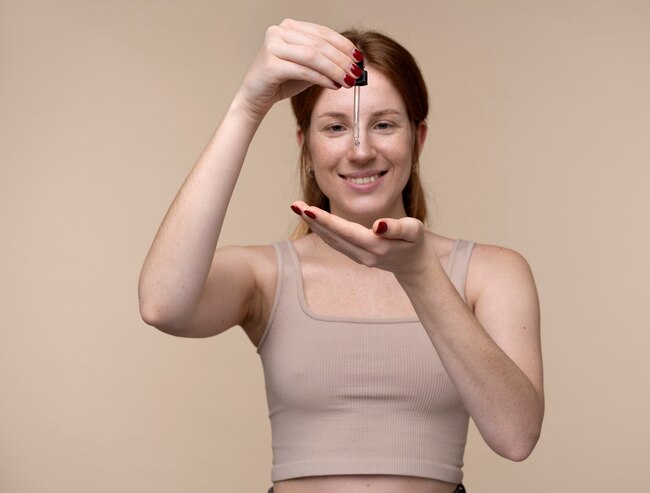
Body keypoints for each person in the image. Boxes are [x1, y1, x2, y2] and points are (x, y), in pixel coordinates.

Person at [138, 19, 544, 493]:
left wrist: (419, 275)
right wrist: (248, 106)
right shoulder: (266, 275)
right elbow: (161, 305)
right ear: (305, 148)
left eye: (385, 124)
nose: (361, 150)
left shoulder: (492, 273)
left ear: (419, 139)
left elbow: (516, 436)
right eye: (334, 127)